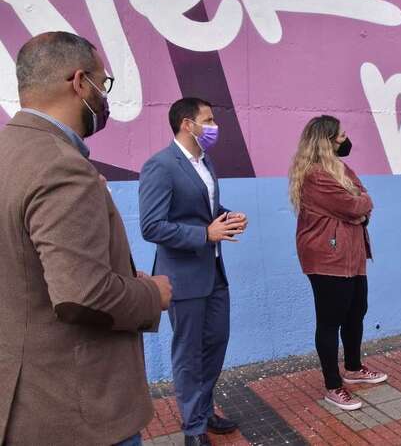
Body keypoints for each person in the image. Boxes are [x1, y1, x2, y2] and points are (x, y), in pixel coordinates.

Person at [0, 31, 171, 445]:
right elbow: (83, 295)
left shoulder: (11, 151)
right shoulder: (62, 166)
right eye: (102, 82)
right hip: (75, 412)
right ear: (80, 82)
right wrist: (152, 294)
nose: (104, 95)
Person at [139, 97, 248, 446]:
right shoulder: (160, 165)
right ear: (188, 124)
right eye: (209, 120)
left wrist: (228, 217)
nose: (214, 126)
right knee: (188, 353)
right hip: (183, 277)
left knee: (215, 343)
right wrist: (205, 234)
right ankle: (194, 428)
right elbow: (152, 226)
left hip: (214, 272)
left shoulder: (205, 162)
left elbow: (205, 210)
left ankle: (203, 409)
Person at [289, 115, 387, 411]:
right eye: (341, 135)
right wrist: (359, 205)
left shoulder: (341, 168)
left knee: (356, 311)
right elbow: (354, 204)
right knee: (330, 320)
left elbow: (362, 200)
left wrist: (360, 207)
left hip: (352, 253)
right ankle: (333, 386)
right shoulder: (315, 175)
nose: (346, 140)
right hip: (327, 257)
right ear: (327, 141)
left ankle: (354, 368)